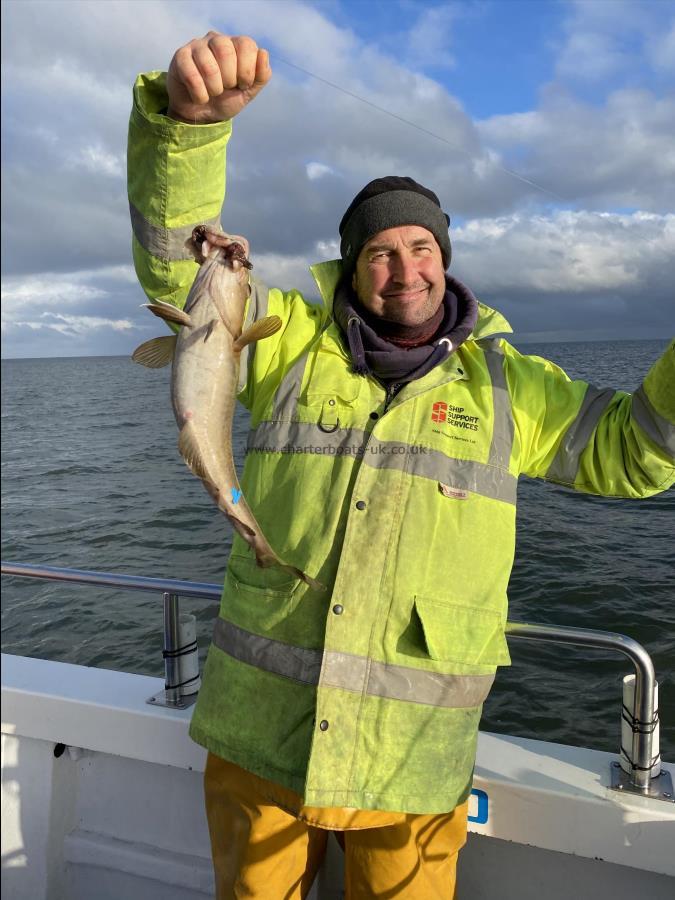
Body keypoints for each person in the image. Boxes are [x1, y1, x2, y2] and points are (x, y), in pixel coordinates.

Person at [127, 32, 675, 899]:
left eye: (420, 246)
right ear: (352, 267)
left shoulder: (510, 388)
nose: (403, 268)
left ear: (445, 260)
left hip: (412, 763)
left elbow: (634, 453)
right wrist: (186, 135)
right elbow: (181, 268)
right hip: (258, 739)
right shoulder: (286, 345)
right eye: (379, 251)